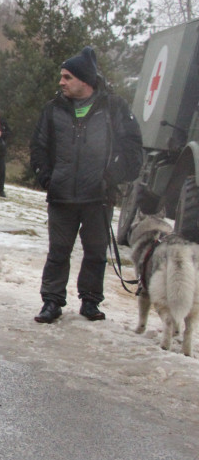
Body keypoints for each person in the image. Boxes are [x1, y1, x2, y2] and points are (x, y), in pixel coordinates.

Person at [29, 46, 142, 324]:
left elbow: (133, 150)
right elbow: (39, 147)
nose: (61, 82)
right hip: (62, 195)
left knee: (95, 252)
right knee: (58, 252)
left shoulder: (114, 108)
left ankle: (90, 301)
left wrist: (110, 177)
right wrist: (47, 178)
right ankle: (51, 301)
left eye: (67, 77)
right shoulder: (53, 109)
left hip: (98, 197)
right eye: (61, 77)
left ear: (85, 80)